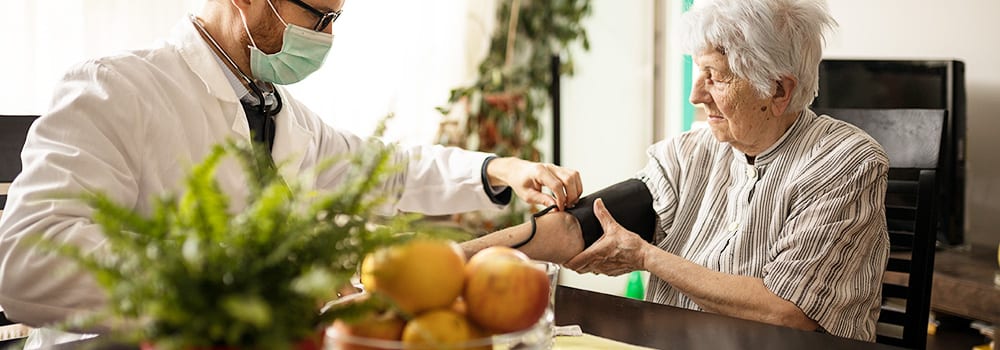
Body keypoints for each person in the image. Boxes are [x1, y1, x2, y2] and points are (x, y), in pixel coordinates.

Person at [0, 0, 582, 345]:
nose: (327, 37)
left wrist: (497, 168)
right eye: (318, 15)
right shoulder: (115, 88)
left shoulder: (279, 113)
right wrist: (242, 274)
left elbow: (385, 169)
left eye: (335, 18)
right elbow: (24, 261)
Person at [463, 0, 888, 342]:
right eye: (696, 71)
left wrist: (646, 257)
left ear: (778, 90)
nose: (694, 95)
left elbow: (788, 310)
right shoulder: (691, 150)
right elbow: (580, 227)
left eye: (715, 77)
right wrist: (459, 258)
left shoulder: (846, 164)